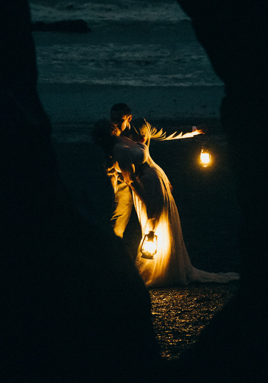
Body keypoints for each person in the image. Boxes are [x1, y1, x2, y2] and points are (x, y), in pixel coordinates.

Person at [92, 117, 239, 288]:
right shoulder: (119, 150)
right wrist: (146, 201)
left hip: (157, 182)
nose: (114, 125)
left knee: (167, 223)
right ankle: (157, 268)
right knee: (155, 225)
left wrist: (163, 176)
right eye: (110, 126)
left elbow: (152, 153)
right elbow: (131, 180)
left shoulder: (125, 139)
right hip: (147, 188)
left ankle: (170, 266)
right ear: (106, 134)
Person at [107, 103, 204, 240]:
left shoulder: (142, 126)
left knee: (155, 216)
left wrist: (194, 130)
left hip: (148, 178)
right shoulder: (109, 136)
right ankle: (114, 250)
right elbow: (109, 166)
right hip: (124, 181)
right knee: (118, 221)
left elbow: (165, 133)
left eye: (119, 120)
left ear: (129, 119)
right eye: (113, 119)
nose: (115, 123)